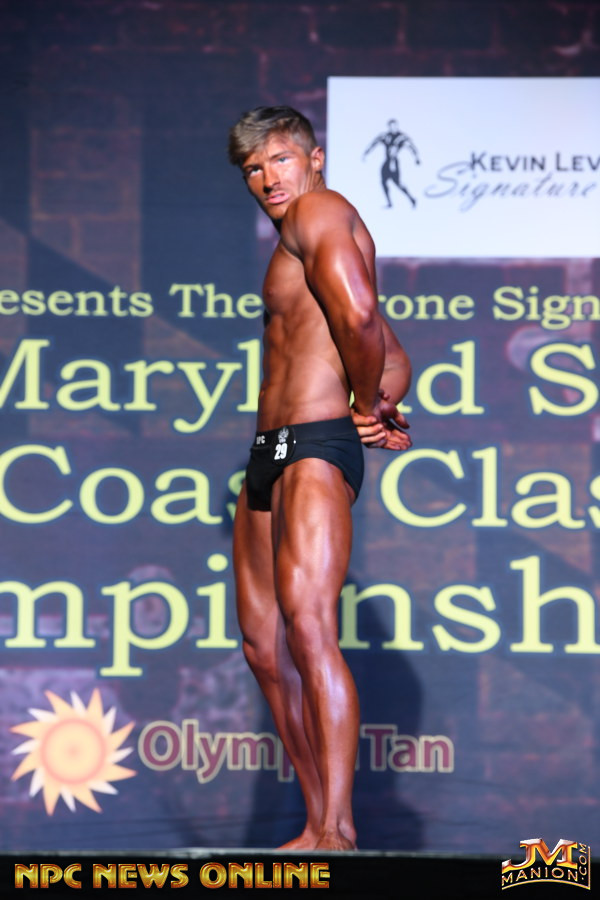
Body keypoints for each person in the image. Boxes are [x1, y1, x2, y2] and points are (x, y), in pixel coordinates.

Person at [228, 106, 412, 850]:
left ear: (314, 158)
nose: (267, 177)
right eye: (253, 168)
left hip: (312, 443)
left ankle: (338, 828)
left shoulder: (321, 210)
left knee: (308, 628)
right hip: (269, 450)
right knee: (262, 648)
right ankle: (315, 823)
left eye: (279, 159)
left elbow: (362, 318)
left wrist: (363, 406)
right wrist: (385, 397)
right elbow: (390, 347)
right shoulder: (297, 238)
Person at [363, 118, 420, 208]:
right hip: (386, 162)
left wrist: (416, 158)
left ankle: (412, 199)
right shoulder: (385, 136)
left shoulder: (401, 137)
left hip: (393, 163)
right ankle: (389, 203)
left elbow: (411, 146)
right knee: (383, 182)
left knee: (397, 183)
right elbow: (374, 143)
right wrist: (366, 153)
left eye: (394, 126)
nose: (393, 128)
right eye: (391, 126)